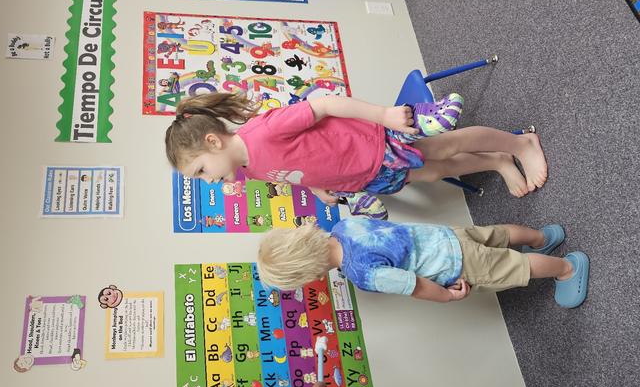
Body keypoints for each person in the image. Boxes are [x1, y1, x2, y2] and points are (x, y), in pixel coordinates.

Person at [163, 92, 547, 201]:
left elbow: (325, 103)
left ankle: (520, 143)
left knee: (445, 147)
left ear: (213, 141)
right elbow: (293, 172)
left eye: (201, 172)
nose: (208, 181)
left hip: (372, 144)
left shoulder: (262, 131)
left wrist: (383, 115)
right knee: (437, 171)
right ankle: (498, 161)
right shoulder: (248, 169)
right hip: (366, 175)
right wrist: (316, 188)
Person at [256, 218, 590, 308]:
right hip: (445, 235)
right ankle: (541, 237)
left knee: (515, 266)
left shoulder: (363, 274)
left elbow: (413, 285)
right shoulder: (344, 227)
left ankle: (566, 269)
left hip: (454, 263)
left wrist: (448, 296)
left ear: (308, 272)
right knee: (497, 235)